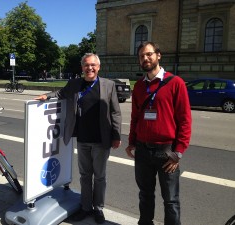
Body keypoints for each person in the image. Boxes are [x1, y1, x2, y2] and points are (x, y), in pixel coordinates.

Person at [35, 53, 122, 224]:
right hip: (82, 139)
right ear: (82, 67)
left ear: (98, 67)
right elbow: (61, 93)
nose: (89, 68)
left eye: (93, 65)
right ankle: (85, 207)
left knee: (99, 177)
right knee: (84, 175)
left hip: (101, 140)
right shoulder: (75, 83)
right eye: (86, 65)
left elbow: (115, 112)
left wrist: (116, 135)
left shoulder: (108, 85)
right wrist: (47, 96)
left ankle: (98, 208)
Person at [125, 42, 192, 225]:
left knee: (171, 199)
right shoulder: (139, 86)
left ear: (158, 55)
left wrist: (177, 153)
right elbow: (135, 117)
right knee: (145, 195)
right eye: (141, 56)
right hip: (143, 150)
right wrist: (132, 142)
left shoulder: (175, 83)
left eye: (148, 54)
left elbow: (185, 120)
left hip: (166, 151)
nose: (145, 58)